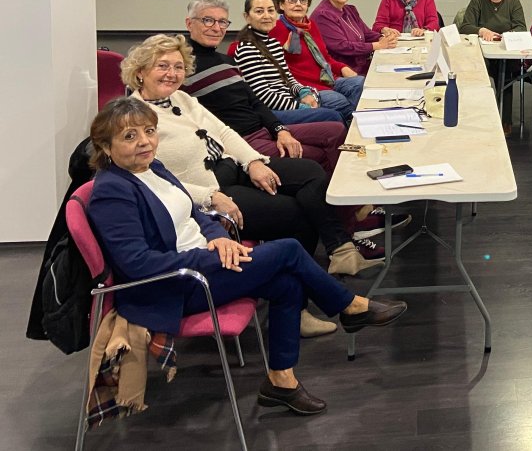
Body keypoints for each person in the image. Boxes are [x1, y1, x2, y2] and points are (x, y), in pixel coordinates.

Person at [86, 97, 407, 416]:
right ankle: (350, 306)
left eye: (149, 131)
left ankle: (281, 381)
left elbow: (195, 216)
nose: (145, 142)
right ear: (105, 146)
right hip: (174, 285)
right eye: (130, 136)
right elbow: (138, 265)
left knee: (286, 285)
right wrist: (210, 257)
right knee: (289, 249)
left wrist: (220, 240)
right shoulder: (112, 191)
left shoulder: (152, 167)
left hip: (205, 260)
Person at [122, 34, 382, 283]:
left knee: (310, 172)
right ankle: (298, 299)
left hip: (232, 168)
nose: (172, 73)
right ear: (140, 72)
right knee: (296, 214)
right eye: (163, 66)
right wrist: (209, 197)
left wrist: (254, 162)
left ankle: (341, 252)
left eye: (178, 67)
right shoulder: (134, 119)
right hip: (209, 191)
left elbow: (223, 131)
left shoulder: (182, 98)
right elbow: (151, 181)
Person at [181, 0, 345, 174]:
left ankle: (343, 189)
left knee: (335, 129)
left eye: (222, 22)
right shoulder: (185, 67)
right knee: (329, 124)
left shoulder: (228, 61)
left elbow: (259, 97)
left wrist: (283, 123)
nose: (216, 28)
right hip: (244, 135)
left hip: (262, 124)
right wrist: (300, 107)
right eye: (207, 20)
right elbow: (263, 95)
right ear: (189, 24)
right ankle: (336, 193)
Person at [230, 0, 352, 125]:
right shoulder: (246, 48)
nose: (266, 16)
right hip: (271, 112)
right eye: (259, 11)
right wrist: (299, 108)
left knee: (341, 111)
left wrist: (304, 92)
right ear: (247, 17)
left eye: (270, 11)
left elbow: (288, 79)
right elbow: (263, 95)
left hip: (289, 101)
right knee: (333, 116)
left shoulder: (273, 44)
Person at [270, 0, 365, 122]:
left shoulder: (310, 26)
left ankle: (349, 123)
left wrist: (343, 67)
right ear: (281, 4)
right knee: (339, 101)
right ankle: (351, 126)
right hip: (304, 88)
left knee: (359, 83)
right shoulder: (275, 28)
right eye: (292, 0)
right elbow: (238, 46)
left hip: (326, 80)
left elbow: (325, 57)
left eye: (303, 0)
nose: (298, 4)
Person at [460, 0, 527, 132]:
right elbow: (465, 26)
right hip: (482, 52)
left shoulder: (513, 1)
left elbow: (521, 27)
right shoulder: (478, 0)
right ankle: (479, 118)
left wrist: (506, 35)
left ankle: (505, 121)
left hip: (505, 50)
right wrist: (482, 30)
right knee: (479, 74)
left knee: (506, 74)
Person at [310, 0, 399, 76]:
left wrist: (384, 38)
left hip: (363, 66)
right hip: (344, 72)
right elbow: (342, 46)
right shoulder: (323, 15)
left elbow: (367, 34)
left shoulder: (350, 10)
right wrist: (377, 45)